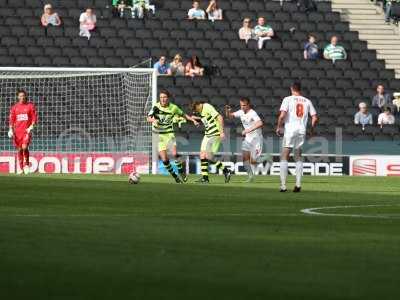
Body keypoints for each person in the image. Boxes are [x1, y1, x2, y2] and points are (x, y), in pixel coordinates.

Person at [147, 90, 199, 183]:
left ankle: (181, 172)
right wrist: (153, 121)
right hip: (158, 135)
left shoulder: (173, 107)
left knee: (175, 154)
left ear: (168, 98)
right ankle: (175, 176)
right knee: (164, 159)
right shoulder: (156, 107)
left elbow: (184, 115)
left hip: (169, 133)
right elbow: (148, 118)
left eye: (164, 97)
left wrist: (193, 120)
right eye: (161, 97)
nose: (162, 99)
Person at [275, 82, 318, 193]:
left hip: (290, 130)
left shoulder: (287, 99)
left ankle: (283, 186)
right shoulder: (307, 101)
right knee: (298, 156)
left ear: (291, 89)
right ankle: (298, 184)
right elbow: (315, 117)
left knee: (284, 155)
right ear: (300, 89)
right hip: (301, 130)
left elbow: (282, 115)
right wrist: (312, 129)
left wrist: (279, 127)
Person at [225, 98, 272, 182]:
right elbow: (230, 116)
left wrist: (248, 130)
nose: (242, 107)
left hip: (256, 139)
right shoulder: (241, 112)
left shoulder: (253, 113)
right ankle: (251, 177)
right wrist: (228, 111)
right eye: (241, 105)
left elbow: (260, 123)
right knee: (245, 160)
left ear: (248, 105)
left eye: (244, 105)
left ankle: (266, 158)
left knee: (253, 161)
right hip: (248, 139)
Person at [191, 101, 233, 183]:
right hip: (207, 134)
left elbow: (220, 117)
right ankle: (205, 178)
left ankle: (225, 171)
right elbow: (208, 119)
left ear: (198, 105)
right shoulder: (201, 111)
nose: (196, 112)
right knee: (202, 155)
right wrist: (198, 119)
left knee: (208, 156)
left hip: (215, 133)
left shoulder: (207, 107)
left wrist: (221, 132)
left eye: (195, 110)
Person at [8, 90, 38, 175]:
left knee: (25, 147)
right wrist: (10, 129)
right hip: (17, 132)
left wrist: (31, 126)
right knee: (20, 149)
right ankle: (21, 168)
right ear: (18, 97)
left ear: (26, 96)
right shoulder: (14, 107)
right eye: (20, 96)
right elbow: (11, 119)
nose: (22, 97)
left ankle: (26, 165)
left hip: (26, 131)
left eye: (23, 96)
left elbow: (34, 117)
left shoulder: (30, 106)